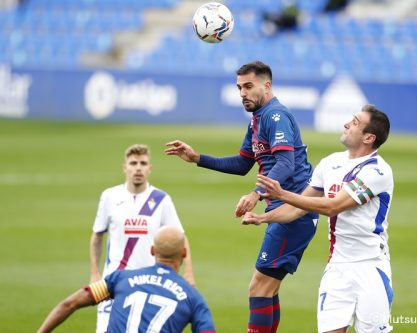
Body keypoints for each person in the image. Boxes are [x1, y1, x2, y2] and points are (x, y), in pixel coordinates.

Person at [165, 60, 319, 333]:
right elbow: (242, 164)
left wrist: (256, 194)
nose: (243, 93)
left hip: (293, 210)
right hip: (284, 209)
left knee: (258, 287)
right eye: (239, 88)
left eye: (248, 86)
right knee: (267, 288)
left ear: (266, 85)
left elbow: (286, 163)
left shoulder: (275, 116)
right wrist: (197, 158)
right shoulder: (257, 120)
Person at [243, 105, 394, 333]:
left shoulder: (378, 172)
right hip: (337, 269)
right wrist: (263, 217)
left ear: (369, 137)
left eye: (354, 122)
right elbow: (298, 209)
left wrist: (281, 193)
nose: (346, 124)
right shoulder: (330, 163)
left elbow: (333, 206)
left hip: (370, 268)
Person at [89, 144, 196, 333]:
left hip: (148, 283)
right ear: (125, 167)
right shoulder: (110, 196)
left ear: (150, 168)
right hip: (113, 283)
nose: (138, 167)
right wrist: (95, 273)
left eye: (143, 163)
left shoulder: (161, 199)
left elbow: (179, 236)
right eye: (133, 163)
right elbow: (97, 235)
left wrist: (188, 272)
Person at [37, 226, 216, 333]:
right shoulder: (193, 299)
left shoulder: (120, 278)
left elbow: (70, 304)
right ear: (184, 253)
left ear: (152, 251)